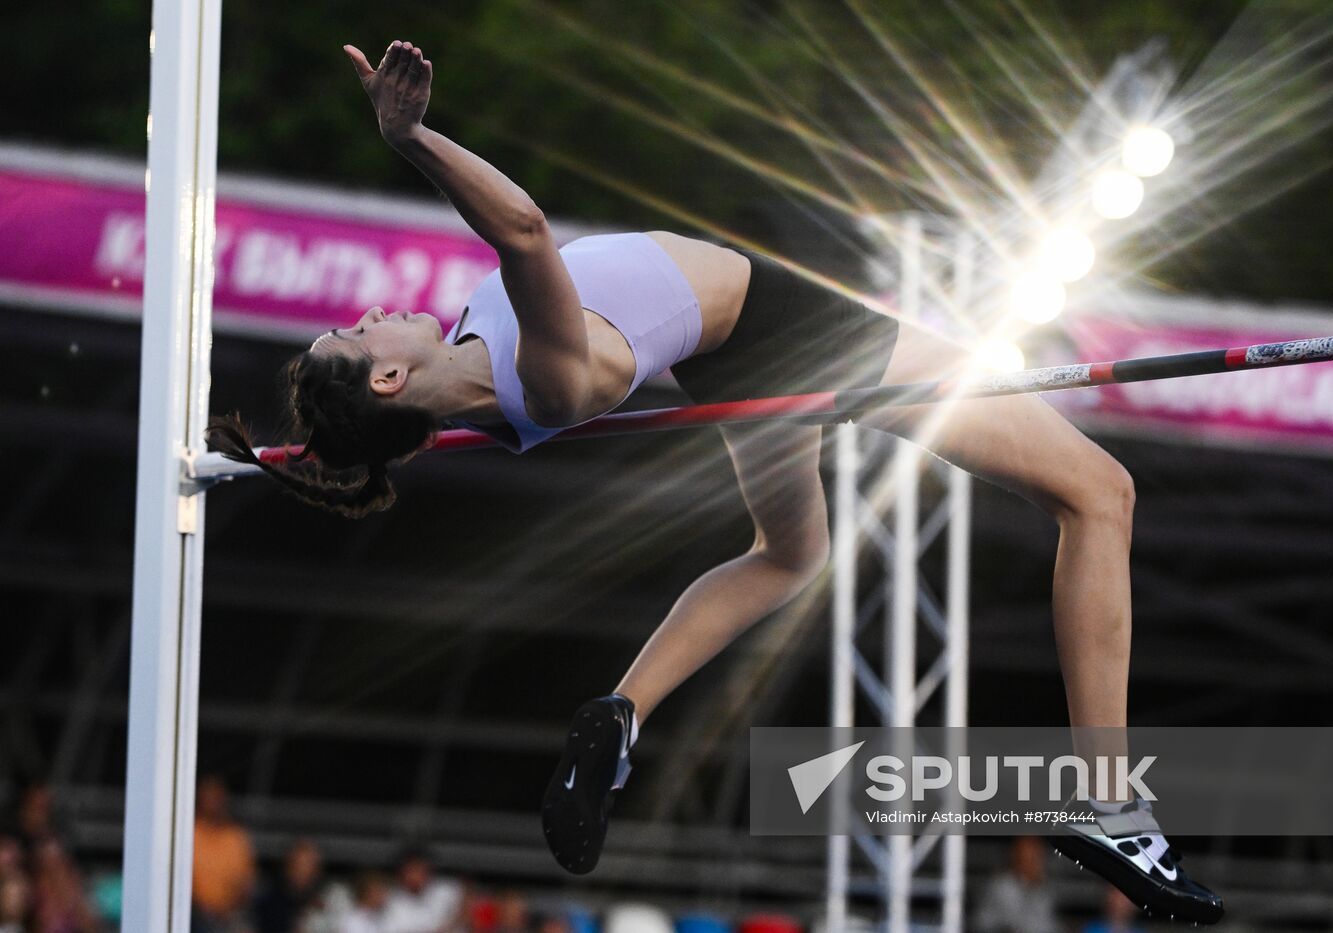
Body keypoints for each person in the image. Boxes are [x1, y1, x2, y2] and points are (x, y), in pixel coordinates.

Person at [206, 38, 1221, 925]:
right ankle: (1108, 804)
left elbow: (512, 277)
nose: (372, 312)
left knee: (788, 553)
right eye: (357, 332)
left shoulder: (478, 362)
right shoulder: (540, 382)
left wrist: (326, 442)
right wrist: (410, 141)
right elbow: (520, 227)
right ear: (389, 377)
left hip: (740, 361)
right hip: (790, 330)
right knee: (1097, 492)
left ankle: (620, 714)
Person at [191, 775, 257, 933]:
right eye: (209, 798)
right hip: (194, 913)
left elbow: (247, 883)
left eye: (218, 798)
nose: (214, 803)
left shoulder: (236, 837)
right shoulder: (189, 833)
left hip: (230, 915)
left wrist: (229, 909)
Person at [972, 836, 1057, 933]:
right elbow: (982, 924)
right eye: (1029, 852)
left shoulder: (1045, 891)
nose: (1036, 858)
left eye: (1039, 852)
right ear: (1015, 854)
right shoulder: (1002, 887)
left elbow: (1048, 925)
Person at [379, 844, 460, 933]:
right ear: (401, 874)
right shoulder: (391, 902)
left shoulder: (446, 889)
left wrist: (453, 922)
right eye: (410, 871)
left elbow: (469, 902)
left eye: (419, 869)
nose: (415, 876)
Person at [254, 839, 324, 933]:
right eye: (297, 865)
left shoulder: (323, 904)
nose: (301, 872)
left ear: (316, 871)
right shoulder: (269, 903)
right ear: (287, 866)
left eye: (307, 866)